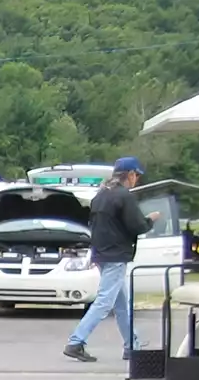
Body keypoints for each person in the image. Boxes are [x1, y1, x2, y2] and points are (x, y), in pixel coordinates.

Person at [62, 156, 157, 364]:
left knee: (122, 304)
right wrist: (150, 220)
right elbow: (137, 226)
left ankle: (132, 345)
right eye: (137, 175)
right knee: (105, 301)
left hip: (102, 253)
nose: (137, 180)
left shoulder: (101, 195)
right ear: (130, 175)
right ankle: (76, 341)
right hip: (116, 255)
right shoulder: (124, 196)